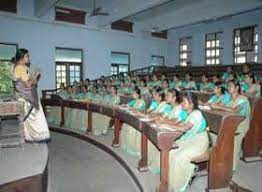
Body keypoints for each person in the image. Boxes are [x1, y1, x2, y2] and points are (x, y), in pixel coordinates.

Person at [211, 80, 251, 171]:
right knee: (213, 132)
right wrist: (217, 105)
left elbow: (235, 111)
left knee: (234, 141)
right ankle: (221, 158)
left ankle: (231, 169)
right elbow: (219, 106)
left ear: (237, 88)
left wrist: (219, 107)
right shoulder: (228, 97)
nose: (228, 87)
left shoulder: (243, 99)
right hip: (229, 123)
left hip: (240, 125)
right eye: (228, 86)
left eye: (231, 86)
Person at [12, 48, 50, 142]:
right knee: (34, 116)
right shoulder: (20, 68)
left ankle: (31, 136)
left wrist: (34, 76)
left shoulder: (22, 67)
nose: (29, 58)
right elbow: (28, 84)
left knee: (33, 117)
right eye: (27, 56)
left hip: (27, 95)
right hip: (25, 97)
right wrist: (36, 75)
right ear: (22, 57)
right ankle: (35, 136)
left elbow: (31, 82)